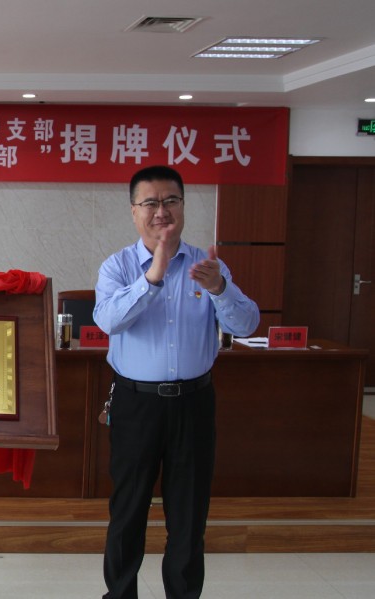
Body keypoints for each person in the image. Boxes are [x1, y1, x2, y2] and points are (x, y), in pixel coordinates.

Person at [93, 166, 259, 599]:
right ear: (134, 211)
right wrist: (154, 275)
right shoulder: (118, 266)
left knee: (189, 515)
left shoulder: (206, 266)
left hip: (194, 404)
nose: (161, 211)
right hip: (136, 405)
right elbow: (109, 321)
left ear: (183, 207)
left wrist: (221, 287)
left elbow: (246, 324)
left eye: (170, 201)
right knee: (128, 511)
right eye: (150, 202)